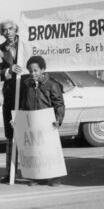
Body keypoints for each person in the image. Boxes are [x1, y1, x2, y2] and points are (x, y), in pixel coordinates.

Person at [20, 55, 66, 187]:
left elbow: (59, 104)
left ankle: (54, 177)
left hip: (48, 122)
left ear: (43, 69)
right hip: (33, 122)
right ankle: (38, 176)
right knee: (36, 150)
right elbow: (24, 103)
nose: (33, 73)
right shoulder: (27, 84)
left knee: (50, 150)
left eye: (35, 70)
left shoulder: (51, 84)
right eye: (30, 71)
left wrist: (58, 119)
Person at [0, 19, 23, 183]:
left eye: (11, 29)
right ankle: (10, 172)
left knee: (26, 131)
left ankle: (32, 170)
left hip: (26, 92)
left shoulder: (26, 43)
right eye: (4, 30)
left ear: (16, 29)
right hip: (9, 94)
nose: (8, 32)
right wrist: (8, 70)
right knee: (11, 133)